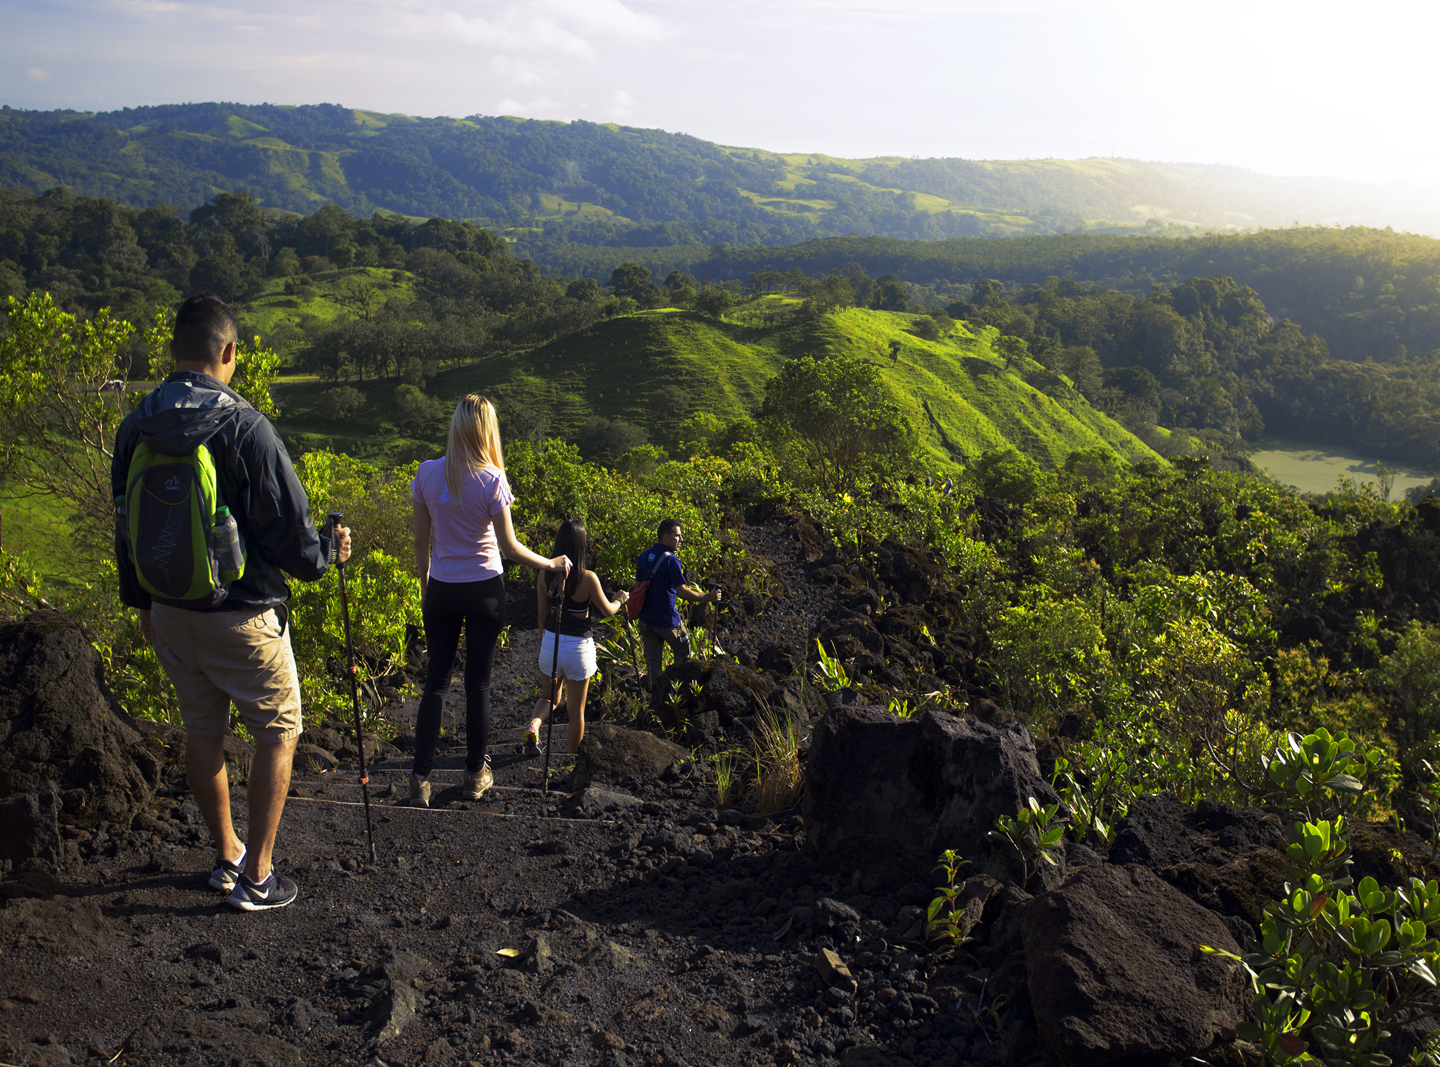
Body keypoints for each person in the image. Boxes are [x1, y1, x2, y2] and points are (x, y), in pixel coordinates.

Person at [112, 291, 350, 912]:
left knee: (202, 729)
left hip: (168, 611)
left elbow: (124, 524)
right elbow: (294, 538)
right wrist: (328, 553)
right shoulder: (245, 427)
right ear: (230, 353)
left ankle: (226, 855)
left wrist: (141, 605)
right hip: (243, 617)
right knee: (278, 730)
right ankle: (261, 875)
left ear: (173, 350)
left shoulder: (136, 424)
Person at [410, 395, 570, 808]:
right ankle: (474, 773)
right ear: (486, 431)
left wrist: (428, 588)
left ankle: (420, 778)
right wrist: (551, 562)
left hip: (441, 590)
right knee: (478, 684)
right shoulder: (491, 480)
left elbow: (420, 543)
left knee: (436, 684)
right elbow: (511, 549)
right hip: (484, 591)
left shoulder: (426, 475)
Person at [524, 518, 628, 756]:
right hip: (579, 649)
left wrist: (545, 640)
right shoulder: (588, 578)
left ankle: (534, 725)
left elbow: (541, 613)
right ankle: (571, 760)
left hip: (551, 643)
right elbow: (607, 611)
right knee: (576, 712)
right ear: (581, 545)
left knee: (549, 698)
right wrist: (620, 599)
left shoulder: (544, 574)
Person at [634, 518, 721, 689]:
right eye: (677, 536)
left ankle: (655, 702)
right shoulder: (671, 560)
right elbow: (682, 592)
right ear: (666, 537)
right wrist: (707, 597)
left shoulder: (644, 556)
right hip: (667, 622)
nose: (681, 540)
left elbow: (636, 588)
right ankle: (681, 694)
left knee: (653, 666)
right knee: (684, 657)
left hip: (646, 622)